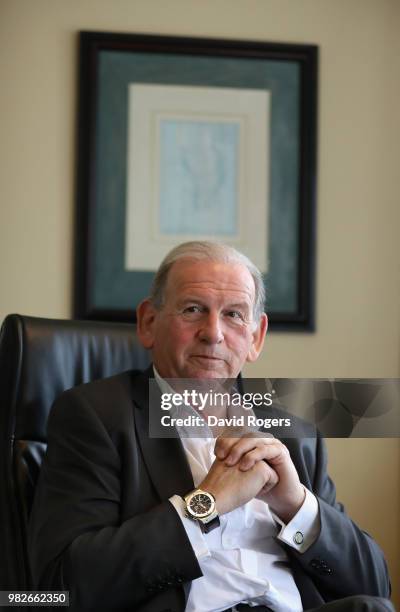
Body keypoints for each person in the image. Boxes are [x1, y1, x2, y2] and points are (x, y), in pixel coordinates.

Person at [28, 241, 393, 612]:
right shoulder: (97, 415)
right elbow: (60, 589)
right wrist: (206, 504)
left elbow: (376, 584)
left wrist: (295, 504)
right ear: (149, 323)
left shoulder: (295, 435)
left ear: (256, 337)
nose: (213, 332)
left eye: (234, 314)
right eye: (193, 309)